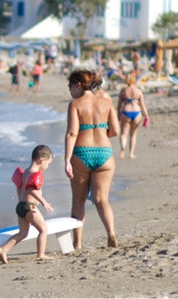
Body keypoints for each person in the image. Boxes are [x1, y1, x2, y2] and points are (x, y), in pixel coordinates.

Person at [65, 69, 120, 249]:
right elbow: (115, 130)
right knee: (102, 199)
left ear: (78, 84)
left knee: (78, 200)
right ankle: (111, 233)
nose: (70, 90)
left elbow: (72, 133)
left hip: (82, 152)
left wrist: (67, 160)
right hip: (104, 152)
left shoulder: (75, 104)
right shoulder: (106, 101)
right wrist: (101, 134)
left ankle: (77, 242)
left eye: (70, 86)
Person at [0, 145, 54, 263]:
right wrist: (44, 202)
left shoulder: (25, 172)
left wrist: (21, 202)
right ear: (41, 160)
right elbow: (31, 190)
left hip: (21, 206)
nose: (47, 167)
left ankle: (3, 249)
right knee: (43, 229)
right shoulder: (35, 173)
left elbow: (20, 187)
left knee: (22, 233)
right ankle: (41, 254)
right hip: (30, 207)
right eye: (48, 163)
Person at [117, 72, 150, 160]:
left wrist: (118, 115)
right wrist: (146, 115)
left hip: (125, 112)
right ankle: (131, 153)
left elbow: (119, 105)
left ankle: (123, 148)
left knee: (124, 133)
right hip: (136, 112)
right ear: (133, 81)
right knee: (133, 135)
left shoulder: (123, 91)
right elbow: (142, 105)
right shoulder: (138, 91)